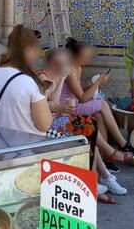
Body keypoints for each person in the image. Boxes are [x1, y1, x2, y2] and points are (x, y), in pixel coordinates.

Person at [38, 49, 126, 200]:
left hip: (58, 119)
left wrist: (61, 78)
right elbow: (47, 105)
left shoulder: (57, 75)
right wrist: (62, 104)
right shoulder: (43, 77)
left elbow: (55, 102)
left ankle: (103, 176)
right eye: (63, 62)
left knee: (89, 129)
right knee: (87, 127)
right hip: (48, 126)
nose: (67, 65)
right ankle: (107, 160)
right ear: (54, 62)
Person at [62, 38, 134, 166]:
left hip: (76, 102)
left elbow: (78, 90)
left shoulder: (78, 68)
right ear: (77, 56)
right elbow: (82, 98)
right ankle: (123, 144)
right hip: (68, 107)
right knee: (103, 104)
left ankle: (106, 159)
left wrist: (90, 84)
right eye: (86, 56)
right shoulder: (70, 70)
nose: (89, 59)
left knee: (99, 115)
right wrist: (98, 82)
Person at [0, 25, 52, 135]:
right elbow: (44, 125)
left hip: (1, 147)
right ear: (29, 49)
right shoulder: (29, 82)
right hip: (30, 148)